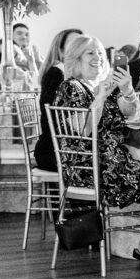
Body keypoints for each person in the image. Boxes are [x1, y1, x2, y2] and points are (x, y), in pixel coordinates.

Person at [52, 35, 140, 269]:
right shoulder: (71, 87)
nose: (97, 57)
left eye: (99, 52)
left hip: (108, 158)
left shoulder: (101, 84)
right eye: (90, 53)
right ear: (77, 58)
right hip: (87, 165)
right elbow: (83, 131)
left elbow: (130, 112)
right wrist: (100, 96)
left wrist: (127, 89)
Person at [33, 29, 84, 172]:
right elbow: (54, 120)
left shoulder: (77, 75)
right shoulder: (56, 74)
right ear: (60, 51)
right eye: (74, 44)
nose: (79, 48)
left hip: (70, 147)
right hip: (54, 150)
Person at [0, 23, 43, 91]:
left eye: (27, 34)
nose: (24, 37)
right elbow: (5, 49)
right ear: (10, 36)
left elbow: (38, 80)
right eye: (19, 33)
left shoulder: (28, 53)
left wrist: (36, 60)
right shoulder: (7, 47)